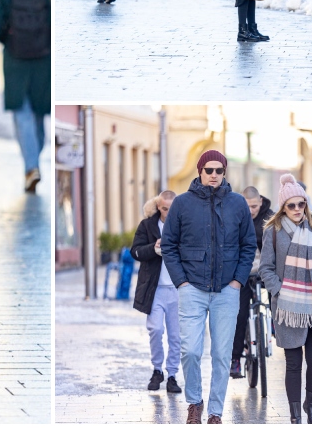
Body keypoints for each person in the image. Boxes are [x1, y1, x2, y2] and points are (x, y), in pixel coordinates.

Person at [161, 149, 257, 424]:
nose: (214, 175)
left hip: (227, 290)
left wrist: (237, 281)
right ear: (200, 171)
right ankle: (195, 402)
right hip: (192, 288)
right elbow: (168, 244)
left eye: (219, 170)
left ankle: (215, 411)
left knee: (221, 355)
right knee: (190, 351)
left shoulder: (238, 203)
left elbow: (248, 245)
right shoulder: (182, 203)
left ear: (224, 172)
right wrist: (181, 281)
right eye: (209, 170)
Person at [259, 174, 312, 424]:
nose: (297, 209)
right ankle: (296, 413)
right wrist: (280, 291)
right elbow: (266, 268)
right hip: (288, 306)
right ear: (283, 207)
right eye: (292, 205)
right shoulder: (273, 231)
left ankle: (311, 403)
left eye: (301, 204)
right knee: (294, 363)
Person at [0, 0, 51, 194]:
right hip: (43, 61)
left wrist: (10, 40)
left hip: (15, 62)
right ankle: (32, 164)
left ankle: (31, 167)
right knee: (38, 117)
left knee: (22, 115)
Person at [131, 190, 183, 395]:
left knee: (176, 335)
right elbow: (135, 251)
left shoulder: (184, 225)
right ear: (158, 207)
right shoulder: (147, 226)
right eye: (164, 209)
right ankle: (157, 370)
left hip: (178, 289)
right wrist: (153, 247)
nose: (168, 213)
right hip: (154, 290)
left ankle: (172, 375)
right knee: (155, 329)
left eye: (172, 209)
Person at [230, 186, 274, 378]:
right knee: (239, 315)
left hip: (266, 270)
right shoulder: (234, 216)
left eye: (254, 206)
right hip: (243, 272)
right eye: (247, 206)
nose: (250, 210)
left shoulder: (270, 217)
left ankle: (275, 325)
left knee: (276, 294)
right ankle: (235, 359)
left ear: (261, 202)